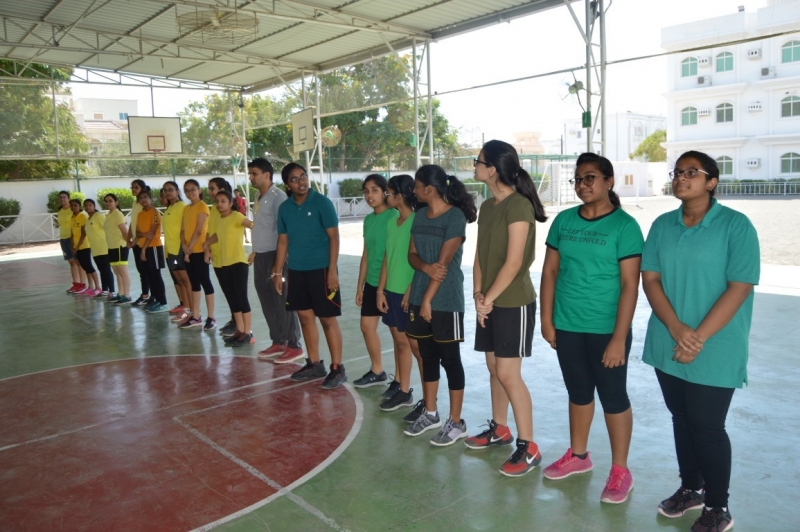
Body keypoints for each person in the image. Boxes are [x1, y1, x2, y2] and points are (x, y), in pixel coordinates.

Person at [642, 151, 759, 532]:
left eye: (691, 172)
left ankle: (718, 506)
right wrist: (677, 328)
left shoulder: (736, 226)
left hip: (717, 345)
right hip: (668, 340)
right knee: (682, 418)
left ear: (711, 182)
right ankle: (691, 487)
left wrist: (697, 338)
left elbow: (739, 286)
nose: (681, 177)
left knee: (707, 426)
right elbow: (651, 279)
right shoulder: (662, 225)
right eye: (677, 172)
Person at [539, 153, 643, 500]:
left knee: (613, 397)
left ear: (609, 181)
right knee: (579, 392)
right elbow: (550, 271)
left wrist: (618, 338)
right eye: (578, 179)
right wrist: (547, 319)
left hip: (606, 328)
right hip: (568, 324)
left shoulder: (625, 227)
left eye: (590, 178)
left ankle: (620, 470)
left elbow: (630, 285)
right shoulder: (564, 221)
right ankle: (579, 456)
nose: (583, 185)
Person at [467, 140, 549, 477]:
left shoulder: (519, 206)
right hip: (489, 301)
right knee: (493, 368)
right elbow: (480, 256)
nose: (474, 165)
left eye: (477, 161)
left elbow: (514, 263)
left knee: (508, 373)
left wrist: (488, 299)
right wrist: (478, 294)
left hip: (514, 302)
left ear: (492, 169)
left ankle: (529, 446)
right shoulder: (488, 206)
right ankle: (500, 428)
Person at [403, 165, 477, 447]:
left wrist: (427, 300)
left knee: (450, 359)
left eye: (417, 186)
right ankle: (431, 412)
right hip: (420, 295)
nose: (414, 191)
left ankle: (456, 422)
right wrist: (423, 270)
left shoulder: (455, 217)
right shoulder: (420, 215)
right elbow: (412, 255)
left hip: (445, 300)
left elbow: (443, 265)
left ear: (429, 189)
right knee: (428, 356)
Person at [273, 162, 347, 390]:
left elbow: (334, 237)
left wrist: (332, 270)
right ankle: (315, 364)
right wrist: (277, 271)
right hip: (297, 271)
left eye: (303, 176)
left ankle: (337, 368)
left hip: (322, 269)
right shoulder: (285, 208)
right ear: (287, 185)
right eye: (294, 179)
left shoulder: (322, 203)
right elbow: (283, 241)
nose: (301, 182)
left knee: (327, 319)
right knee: (305, 317)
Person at [247, 158, 304, 363]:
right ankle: (279, 341)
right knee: (268, 302)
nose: (251, 177)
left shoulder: (277, 197)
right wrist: (256, 251)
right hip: (261, 256)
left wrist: (278, 265)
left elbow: (285, 232)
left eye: (254, 173)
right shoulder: (258, 196)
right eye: (250, 174)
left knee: (283, 300)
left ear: (266, 175)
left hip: (276, 256)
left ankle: (294, 345)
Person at [375, 175, 422, 413]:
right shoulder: (392, 222)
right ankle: (402, 389)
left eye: (389, 192)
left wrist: (410, 290)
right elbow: (387, 258)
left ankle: (415, 395)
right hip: (391, 292)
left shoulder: (416, 221)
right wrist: (380, 290)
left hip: (407, 294)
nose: (386, 196)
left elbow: (421, 259)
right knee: (399, 343)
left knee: (412, 346)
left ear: (400, 195)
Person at [353, 174, 398, 390]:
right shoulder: (368, 220)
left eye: (374, 190)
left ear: (385, 192)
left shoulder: (394, 216)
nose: (369, 195)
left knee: (397, 336)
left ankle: (400, 381)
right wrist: (360, 286)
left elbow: (394, 253)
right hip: (372, 283)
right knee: (366, 326)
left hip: (390, 283)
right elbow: (366, 254)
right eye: (366, 191)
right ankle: (377, 370)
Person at [204, 190, 255, 346]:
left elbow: (253, 226)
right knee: (232, 299)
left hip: (238, 263)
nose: (219, 204)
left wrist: (256, 249)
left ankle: (248, 333)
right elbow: (218, 235)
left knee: (241, 298)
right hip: (224, 264)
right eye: (217, 201)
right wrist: (207, 244)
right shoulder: (219, 219)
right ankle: (240, 330)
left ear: (231, 203)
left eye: (223, 201)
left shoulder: (236, 216)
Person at [180, 179, 216, 330]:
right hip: (188, 251)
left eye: (193, 189)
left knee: (205, 282)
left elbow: (199, 230)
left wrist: (188, 248)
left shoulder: (202, 207)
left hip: (200, 251)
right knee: (194, 284)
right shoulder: (186, 208)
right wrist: (184, 246)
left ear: (199, 190)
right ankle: (196, 316)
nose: (190, 193)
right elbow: (182, 231)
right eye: (187, 190)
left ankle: (211, 317)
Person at [161, 182, 192, 324]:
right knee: (179, 281)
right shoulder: (169, 208)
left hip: (179, 249)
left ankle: (191, 312)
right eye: (165, 190)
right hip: (170, 251)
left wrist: (185, 248)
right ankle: (185, 309)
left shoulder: (182, 207)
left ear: (177, 191)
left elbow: (185, 229)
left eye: (171, 189)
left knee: (186, 282)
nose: (167, 192)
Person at [136, 188, 169, 313]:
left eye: (146, 197)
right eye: (141, 198)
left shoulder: (154, 212)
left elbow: (152, 233)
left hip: (153, 247)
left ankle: (163, 302)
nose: (143, 200)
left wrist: (144, 249)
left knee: (156, 275)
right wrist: (143, 236)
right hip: (143, 247)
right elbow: (138, 233)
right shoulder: (140, 214)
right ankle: (156, 299)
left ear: (150, 199)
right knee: (149, 275)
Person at [83, 199, 115, 298]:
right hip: (95, 249)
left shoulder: (99, 216)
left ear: (94, 206)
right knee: (101, 269)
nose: (88, 207)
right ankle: (105, 290)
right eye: (86, 205)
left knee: (106, 269)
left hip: (104, 247)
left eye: (90, 205)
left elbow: (108, 228)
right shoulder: (88, 220)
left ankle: (112, 291)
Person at [103, 194, 131, 304]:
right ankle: (121, 294)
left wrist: (128, 242)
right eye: (106, 201)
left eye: (110, 201)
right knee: (117, 272)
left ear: (116, 202)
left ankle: (127, 295)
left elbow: (124, 231)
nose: (108, 203)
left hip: (120, 246)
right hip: (111, 246)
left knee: (123, 271)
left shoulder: (118, 214)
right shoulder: (109, 215)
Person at [127, 179, 150, 306]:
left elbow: (143, 226)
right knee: (141, 270)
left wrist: (135, 240)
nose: (133, 189)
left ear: (142, 188)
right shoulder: (135, 203)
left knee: (146, 270)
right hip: (136, 242)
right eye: (132, 187)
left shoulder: (143, 204)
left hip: (143, 242)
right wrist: (128, 238)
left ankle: (147, 295)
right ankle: (145, 294)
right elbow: (133, 222)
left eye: (136, 187)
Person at [69, 199, 100, 296]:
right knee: (85, 267)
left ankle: (98, 287)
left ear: (80, 207)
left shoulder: (83, 216)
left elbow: (83, 233)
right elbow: (72, 234)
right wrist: (72, 246)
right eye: (72, 205)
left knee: (89, 266)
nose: (73, 207)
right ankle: (90, 287)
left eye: (75, 205)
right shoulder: (72, 217)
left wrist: (78, 246)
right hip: (77, 247)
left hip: (84, 246)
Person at [58, 191, 87, 293]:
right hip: (63, 238)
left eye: (64, 197)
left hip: (73, 239)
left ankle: (83, 284)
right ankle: (76, 284)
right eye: (60, 197)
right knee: (71, 262)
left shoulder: (73, 210)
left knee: (78, 262)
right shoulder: (60, 211)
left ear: (68, 198)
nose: (62, 199)